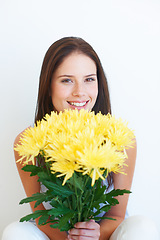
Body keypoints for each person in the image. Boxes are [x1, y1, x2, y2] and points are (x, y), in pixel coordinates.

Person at [2, 37, 159, 240]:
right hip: (54, 236)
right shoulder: (28, 141)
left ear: (98, 84)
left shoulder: (121, 140)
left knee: (143, 227)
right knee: (15, 233)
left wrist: (95, 234)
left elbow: (117, 214)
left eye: (89, 79)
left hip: (105, 236)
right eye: (67, 80)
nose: (79, 92)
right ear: (48, 86)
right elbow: (40, 213)